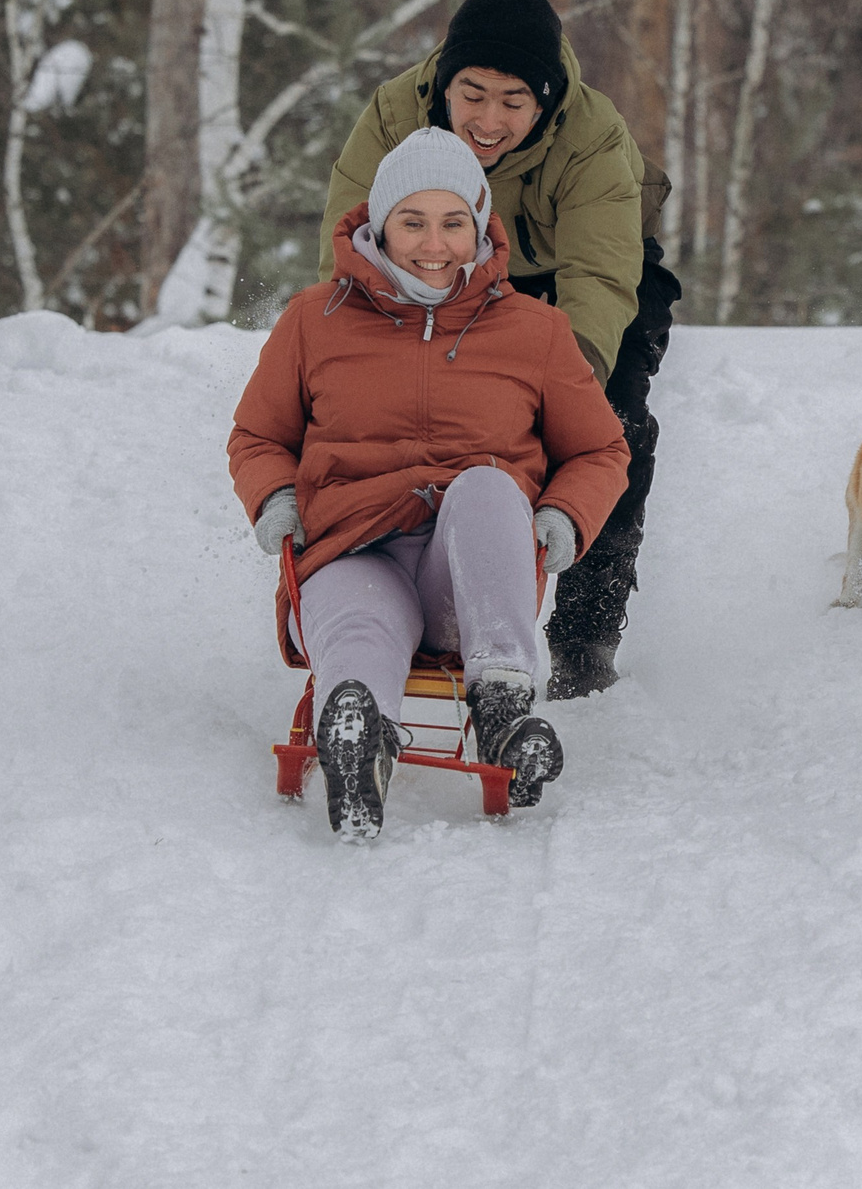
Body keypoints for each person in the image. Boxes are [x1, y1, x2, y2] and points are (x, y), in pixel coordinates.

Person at [232, 128, 630, 840]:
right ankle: (360, 729)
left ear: (479, 225)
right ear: (379, 225)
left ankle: (504, 708)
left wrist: (564, 516)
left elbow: (600, 447)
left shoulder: (534, 331)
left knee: (485, 485)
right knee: (359, 624)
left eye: (453, 222)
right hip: (352, 548)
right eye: (412, 221)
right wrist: (275, 499)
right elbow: (259, 436)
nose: (434, 244)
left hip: (469, 574)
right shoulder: (312, 320)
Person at [319, 0, 678, 698]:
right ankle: (396, 580)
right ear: (444, 84)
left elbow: (600, 283)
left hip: (567, 280)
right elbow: (349, 248)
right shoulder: (395, 115)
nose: (488, 119)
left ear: (545, 102)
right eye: (472, 94)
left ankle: (583, 636)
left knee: (606, 430)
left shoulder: (593, 138)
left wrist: (548, 405)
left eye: (513, 101)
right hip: (441, 267)